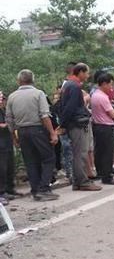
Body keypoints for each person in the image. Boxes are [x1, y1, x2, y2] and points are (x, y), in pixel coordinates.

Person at [5, 70, 59, 201]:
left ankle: (35, 190)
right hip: (38, 129)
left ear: (19, 81)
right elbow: (44, 115)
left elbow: (9, 120)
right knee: (49, 158)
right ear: (32, 80)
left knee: (30, 162)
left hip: (22, 132)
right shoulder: (38, 94)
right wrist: (52, 133)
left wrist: (14, 137)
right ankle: (44, 188)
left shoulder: (12, 97)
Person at [59, 63, 102, 192]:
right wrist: (63, 124)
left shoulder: (68, 85)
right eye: (87, 73)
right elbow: (70, 108)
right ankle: (83, 182)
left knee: (78, 153)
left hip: (73, 124)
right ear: (81, 72)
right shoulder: (74, 87)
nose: (88, 76)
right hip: (77, 125)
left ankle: (78, 182)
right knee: (81, 154)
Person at [90, 73, 114, 185]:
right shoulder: (103, 97)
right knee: (107, 152)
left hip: (97, 126)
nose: (111, 88)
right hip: (105, 126)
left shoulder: (94, 95)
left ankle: (100, 172)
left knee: (99, 151)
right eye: (110, 85)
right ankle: (107, 177)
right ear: (103, 84)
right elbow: (112, 114)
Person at [0, 91, 17, 204]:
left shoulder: (3, 110)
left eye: (3, 98)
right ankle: (2, 191)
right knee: (2, 167)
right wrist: (6, 125)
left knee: (10, 165)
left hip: (7, 141)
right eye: (0, 98)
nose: (2, 100)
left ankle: (9, 188)